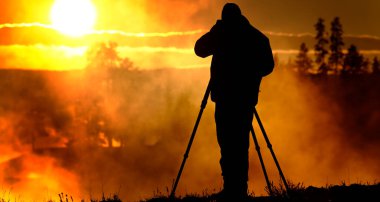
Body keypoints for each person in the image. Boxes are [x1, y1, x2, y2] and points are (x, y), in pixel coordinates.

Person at [194, 3, 274, 201]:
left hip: (228, 97)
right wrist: (250, 74)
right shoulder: (256, 37)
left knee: (230, 143)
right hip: (242, 97)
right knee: (236, 143)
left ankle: (235, 190)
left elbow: (200, 49)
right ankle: (235, 189)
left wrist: (217, 32)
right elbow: (267, 66)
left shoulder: (225, 34)